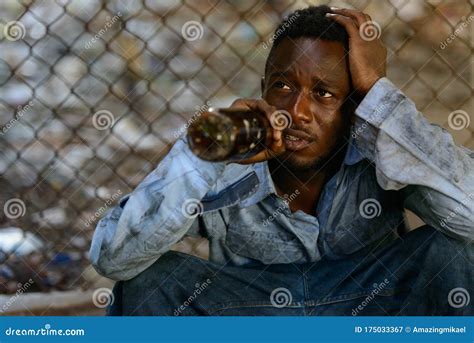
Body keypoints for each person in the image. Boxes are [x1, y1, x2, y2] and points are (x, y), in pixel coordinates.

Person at [89, 5, 474, 315]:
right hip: (257, 316)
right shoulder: (228, 163)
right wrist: (204, 155)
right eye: (283, 86)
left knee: (452, 250)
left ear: (355, 106)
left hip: (371, 315)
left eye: (324, 94)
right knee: (148, 281)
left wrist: (378, 94)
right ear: (262, 91)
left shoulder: (385, 153)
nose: (297, 111)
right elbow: (113, 258)